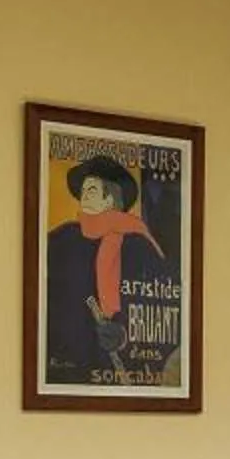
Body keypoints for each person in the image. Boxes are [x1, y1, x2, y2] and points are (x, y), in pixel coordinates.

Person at [42, 153, 178, 386]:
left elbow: (162, 306)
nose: (83, 195)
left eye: (91, 190)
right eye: (83, 190)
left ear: (110, 199)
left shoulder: (139, 245)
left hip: (119, 372)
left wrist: (124, 336)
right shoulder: (61, 239)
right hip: (63, 371)